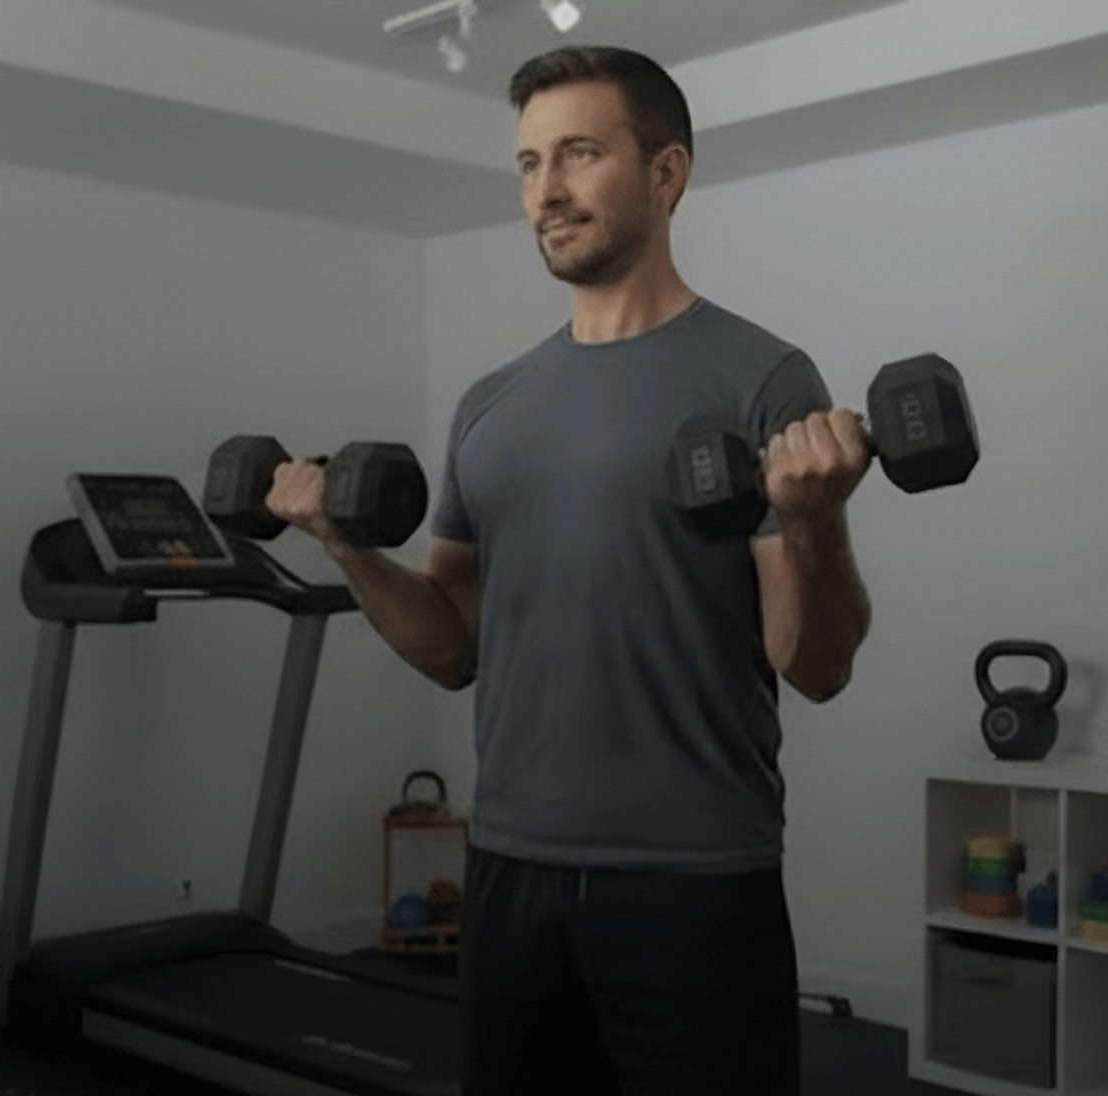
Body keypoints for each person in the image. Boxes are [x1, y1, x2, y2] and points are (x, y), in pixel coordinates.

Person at [265, 46, 867, 1095]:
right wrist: (344, 545)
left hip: (692, 877)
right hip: (507, 866)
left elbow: (813, 665)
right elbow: (453, 648)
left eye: (580, 153)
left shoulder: (762, 376)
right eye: (530, 162)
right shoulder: (491, 406)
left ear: (666, 172)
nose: (546, 189)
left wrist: (814, 525)